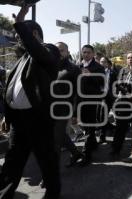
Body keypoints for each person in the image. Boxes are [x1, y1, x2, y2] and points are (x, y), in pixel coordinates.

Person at [0, 5, 61, 199]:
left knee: (46, 161)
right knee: (12, 161)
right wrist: (7, 117)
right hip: (18, 120)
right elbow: (12, 89)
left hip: (38, 119)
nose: (18, 39)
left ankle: (52, 193)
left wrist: (19, 24)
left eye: (21, 35)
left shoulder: (48, 50)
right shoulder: (21, 59)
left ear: (33, 33)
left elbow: (39, 52)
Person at [53, 42, 85, 167]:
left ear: (67, 52)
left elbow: (79, 93)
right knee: (60, 135)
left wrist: (75, 113)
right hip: (49, 108)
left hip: (65, 108)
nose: (59, 53)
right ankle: (76, 153)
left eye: (61, 50)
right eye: (57, 50)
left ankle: (51, 173)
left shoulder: (74, 69)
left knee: (56, 138)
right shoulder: (50, 66)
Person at [111, 51, 132, 155]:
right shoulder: (123, 70)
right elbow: (118, 84)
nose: (130, 59)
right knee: (120, 127)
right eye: (128, 58)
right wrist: (121, 92)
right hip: (123, 102)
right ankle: (116, 149)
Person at [79, 44, 105, 163]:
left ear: (93, 54)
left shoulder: (98, 67)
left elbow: (102, 82)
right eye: (84, 52)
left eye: (88, 52)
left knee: (89, 128)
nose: (86, 54)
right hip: (80, 101)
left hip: (92, 101)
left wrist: (90, 75)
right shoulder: (78, 66)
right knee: (85, 125)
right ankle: (93, 143)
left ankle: (86, 155)